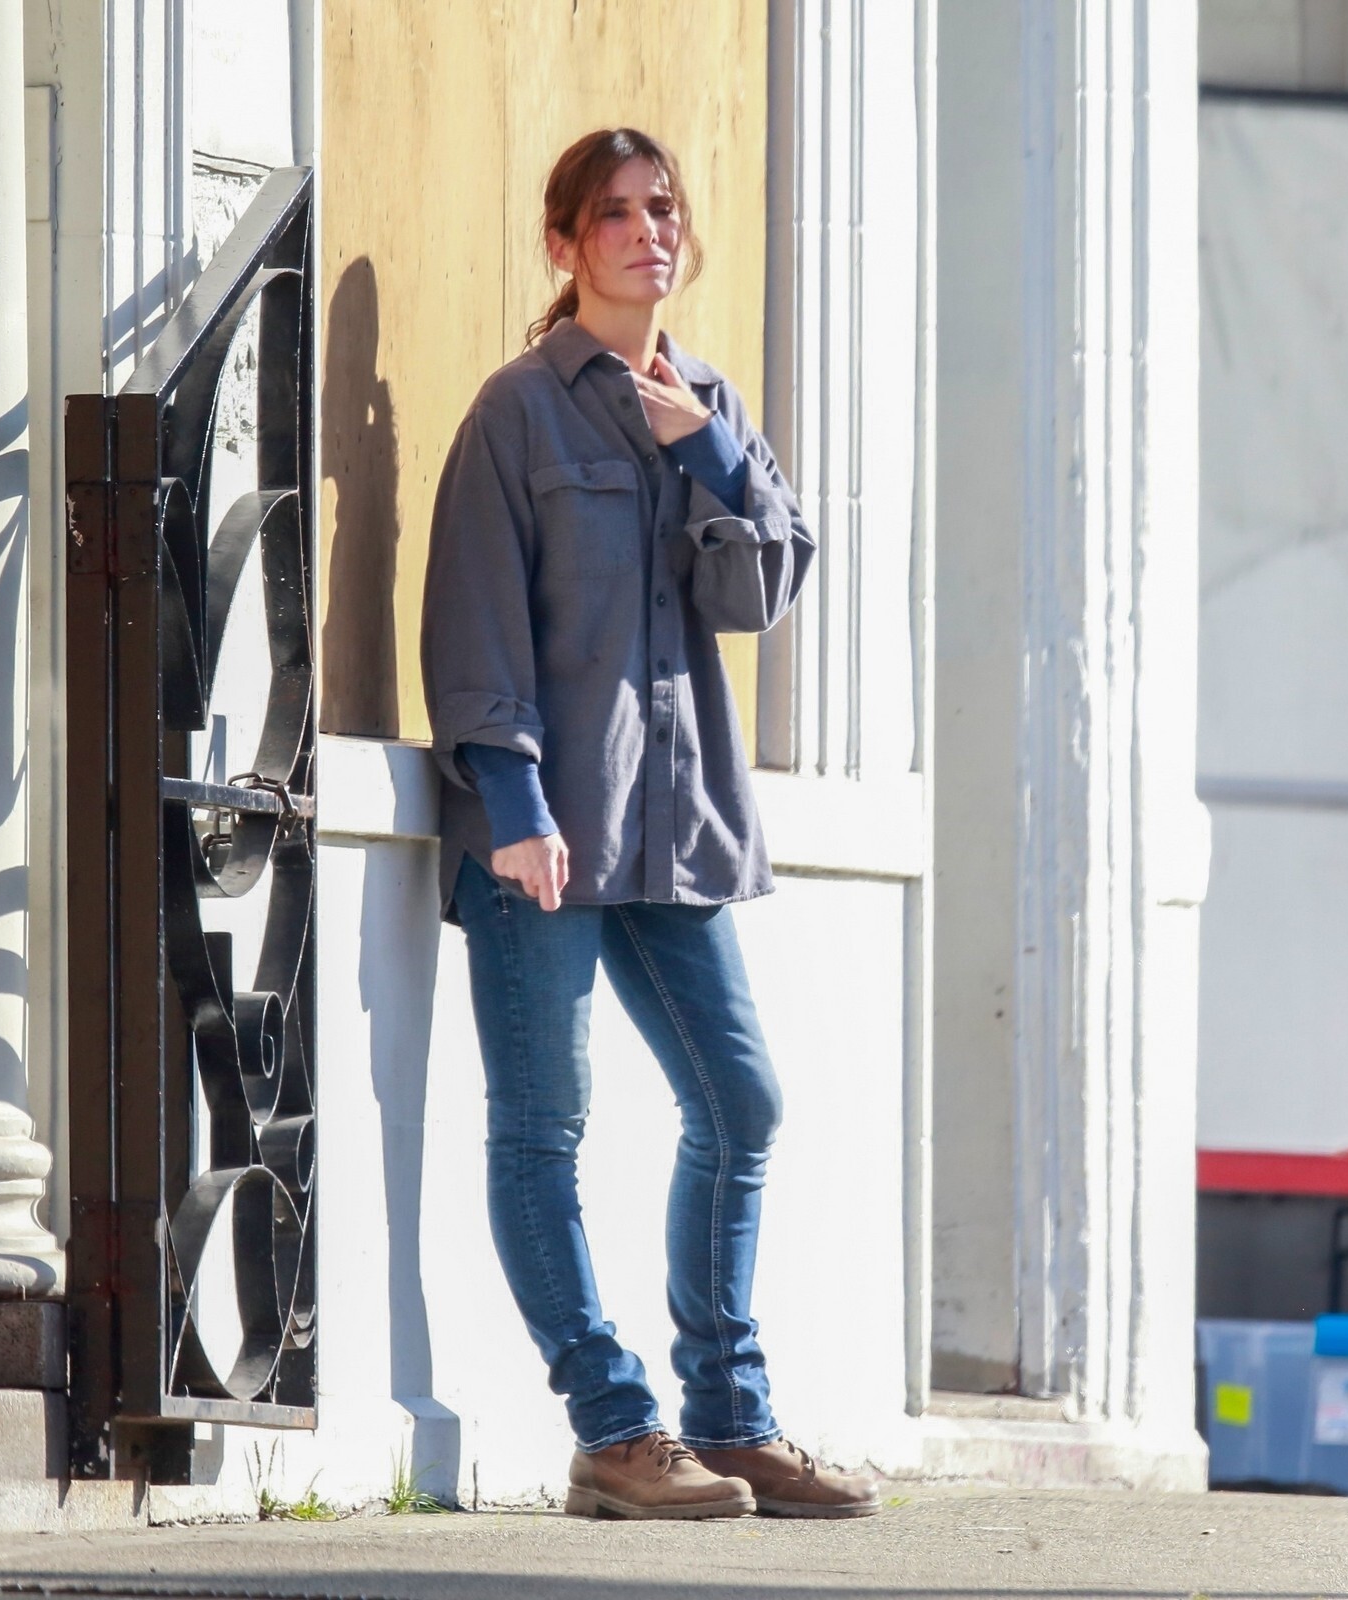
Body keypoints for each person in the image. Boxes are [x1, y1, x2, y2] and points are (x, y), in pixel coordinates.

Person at [419, 127, 876, 1522]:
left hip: (673, 828)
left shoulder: (708, 403)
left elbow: (761, 591)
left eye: (662, 207)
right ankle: (614, 1428)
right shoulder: (516, 412)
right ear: (565, 245)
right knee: (543, 1127)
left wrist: (714, 455)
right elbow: (473, 617)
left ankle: (729, 1417)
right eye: (613, 213)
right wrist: (512, 805)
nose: (645, 231)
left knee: (741, 1103)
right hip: (543, 835)